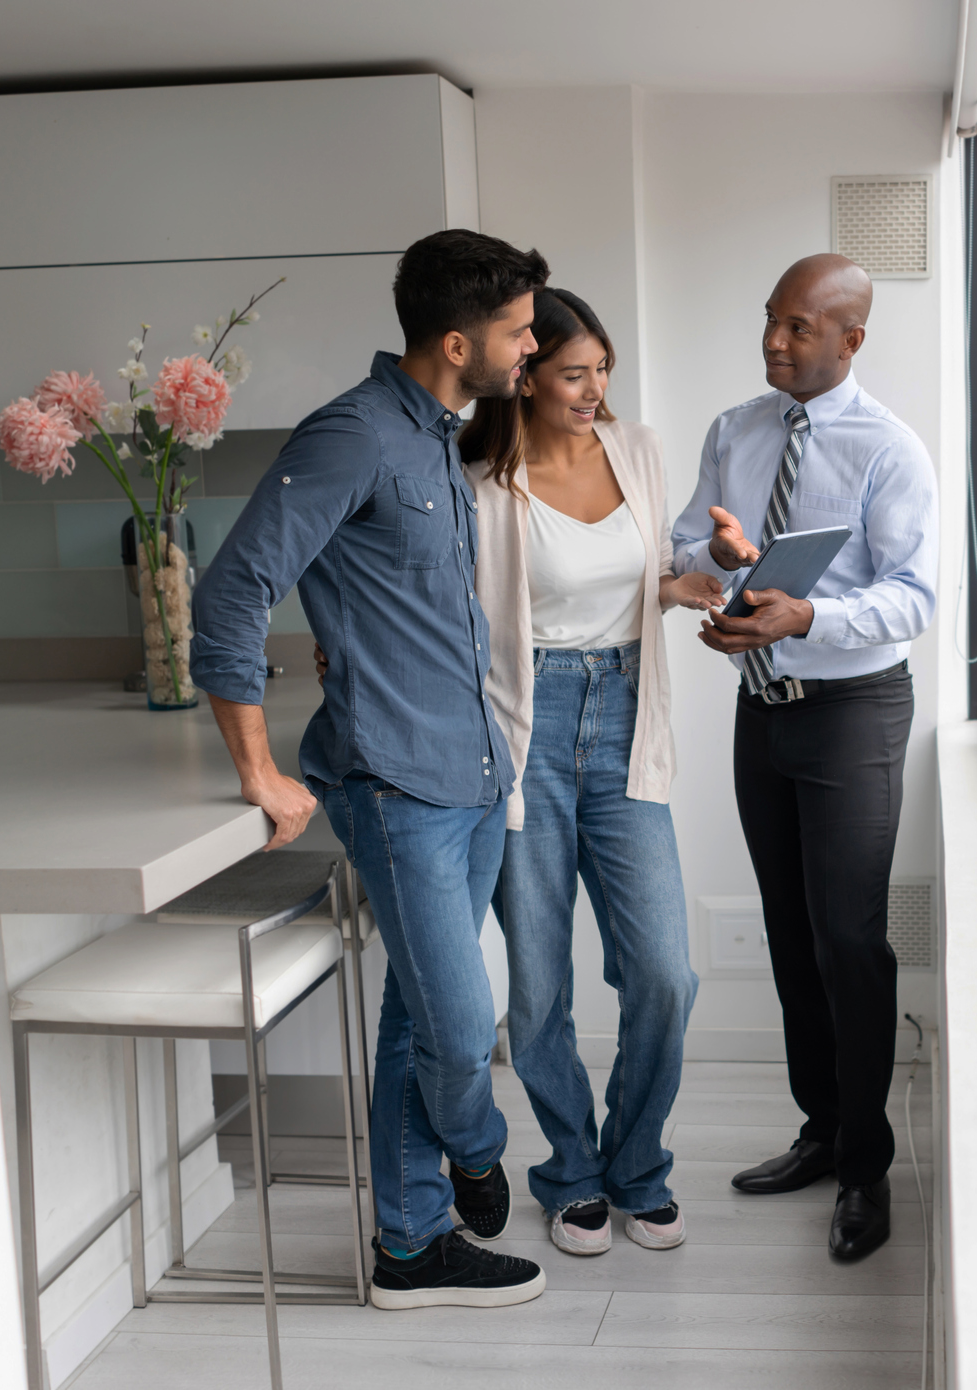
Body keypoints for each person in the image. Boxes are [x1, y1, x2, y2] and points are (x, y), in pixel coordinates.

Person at [190, 229, 550, 1311]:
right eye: (519, 332)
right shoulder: (350, 435)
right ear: (455, 340)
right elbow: (233, 592)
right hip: (394, 786)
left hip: (473, 771)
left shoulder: (439, 431)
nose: (531, 348)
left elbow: (396, 599)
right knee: (454, 1022)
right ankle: (475, 1151)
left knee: (413, 1013)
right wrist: (257, 767)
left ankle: (407, 1246)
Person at [670, 253, 939, 1261]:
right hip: (761, 710)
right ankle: (821, 1130)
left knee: (849, 943)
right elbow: (688, 544)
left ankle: (868, 1167)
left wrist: (810, 613)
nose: (774, 342)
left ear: (849, 340)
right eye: (770, 322)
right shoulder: (735, 430)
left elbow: (914, 596)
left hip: (853, 712)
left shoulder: (890, 449)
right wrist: (722, 561)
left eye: (796, 327)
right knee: (792, 937)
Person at [461, 288, 718, 1256]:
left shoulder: (639, 452)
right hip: (524, 732)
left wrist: (680, 586)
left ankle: (636, 1164)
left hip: (622, 721)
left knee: (663, 973)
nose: (595, 389)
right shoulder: (483, 477)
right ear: (522, 377)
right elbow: (471, 613)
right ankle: (571, 1172)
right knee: (538, 990)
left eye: (602, 369)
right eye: (575, 373)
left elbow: (627, 579)